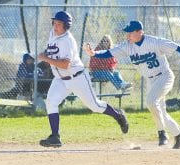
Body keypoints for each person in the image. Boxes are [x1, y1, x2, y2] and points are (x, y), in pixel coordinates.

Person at [84, 20, 180, 149]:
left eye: (130, 32)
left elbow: (178, 48)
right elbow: (109, 53)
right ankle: (179, 133)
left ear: (140, 32)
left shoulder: (155, 42)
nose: (127, 35)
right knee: (160, 112)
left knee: (151, 102)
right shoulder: (127, 46)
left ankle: (162, 133)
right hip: (151, 81)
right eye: (127, 32)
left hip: (165, 76)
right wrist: (94, 53)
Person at [37, 11, 129, 147]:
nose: (55, 26)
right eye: (54, 23)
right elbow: (53, 52)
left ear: (66, 26)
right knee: (51, 102)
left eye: (59, 24)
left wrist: (46, 58)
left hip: (77, 78)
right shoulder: (53, 34)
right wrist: (46, 56)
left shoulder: (67, 41)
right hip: (60, 79)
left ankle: (118, 115)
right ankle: (55, 137)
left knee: (95, 106)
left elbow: (65, 64)